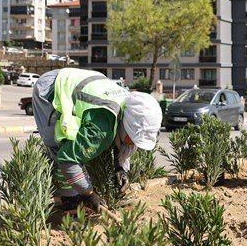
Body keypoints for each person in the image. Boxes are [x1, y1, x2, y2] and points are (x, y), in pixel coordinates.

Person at [32, 68, 162, 213]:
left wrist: (120, 168)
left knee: (90, 147)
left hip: (80, 82)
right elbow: (67, 158)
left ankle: (75, 193)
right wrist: (89, 194)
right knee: (60, 145)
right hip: (51, 88)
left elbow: (121, 139)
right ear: (126, 124)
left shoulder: (130, 106)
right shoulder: (101, 127)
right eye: (132, 139)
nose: (132, 144)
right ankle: (70, 203)